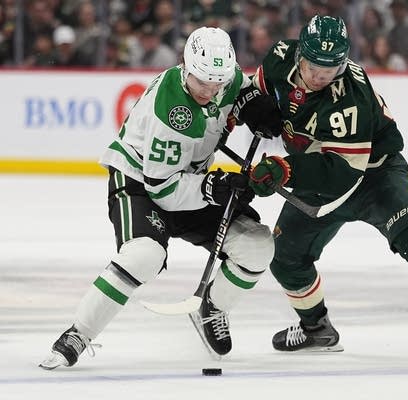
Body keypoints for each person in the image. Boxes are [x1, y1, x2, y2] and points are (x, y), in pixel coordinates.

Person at [246, 15, 408, 366]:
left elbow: (342, 173)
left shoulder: (349, 96)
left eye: (330, 69)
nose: (320, 77)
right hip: (317, 171)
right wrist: (247, 108)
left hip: (373, 175)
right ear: (299, 55)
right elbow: (253, 90)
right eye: (313, 67)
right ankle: (315, 328)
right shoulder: (280, 57)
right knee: (284, 256)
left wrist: (285, 169)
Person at [39, 26, 281, 369]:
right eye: (202, 82)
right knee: (144, 255)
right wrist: (214, 188)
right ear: (186, 67)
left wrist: (253, 104)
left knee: (257, 247)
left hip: (187, 180)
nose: (210, 91)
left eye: (217, 83)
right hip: (141, 182)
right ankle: (79, 332)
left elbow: (241, 87)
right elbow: (164, 190)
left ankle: (212, 307)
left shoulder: (222, 78)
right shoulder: (172, 111)